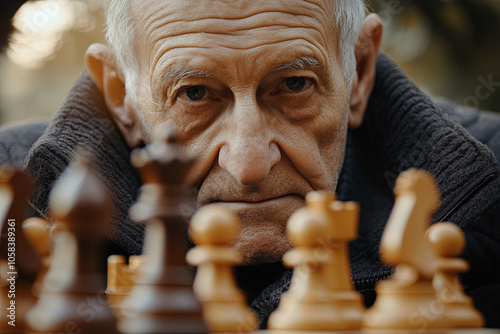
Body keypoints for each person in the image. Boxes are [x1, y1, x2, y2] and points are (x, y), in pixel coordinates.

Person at [1, 0, 500, 329]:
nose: (249, 163)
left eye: (295, 85)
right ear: (121, 96)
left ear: (360, 70)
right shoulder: (10, 205)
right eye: (194, 93)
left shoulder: (490, 190)